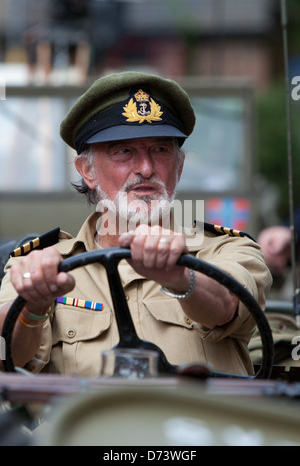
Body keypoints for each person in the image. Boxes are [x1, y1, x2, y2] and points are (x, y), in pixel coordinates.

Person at [0, 71, 272, 377]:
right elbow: (7, 358)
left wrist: (181, 277)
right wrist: (32, 306)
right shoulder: (37, 263)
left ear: (179, 167)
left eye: (160, 150)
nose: (145, 168)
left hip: (198, 424)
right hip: (84, 425)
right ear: (86, 171)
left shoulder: (227, 249)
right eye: (123, 152)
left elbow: (227, 306)